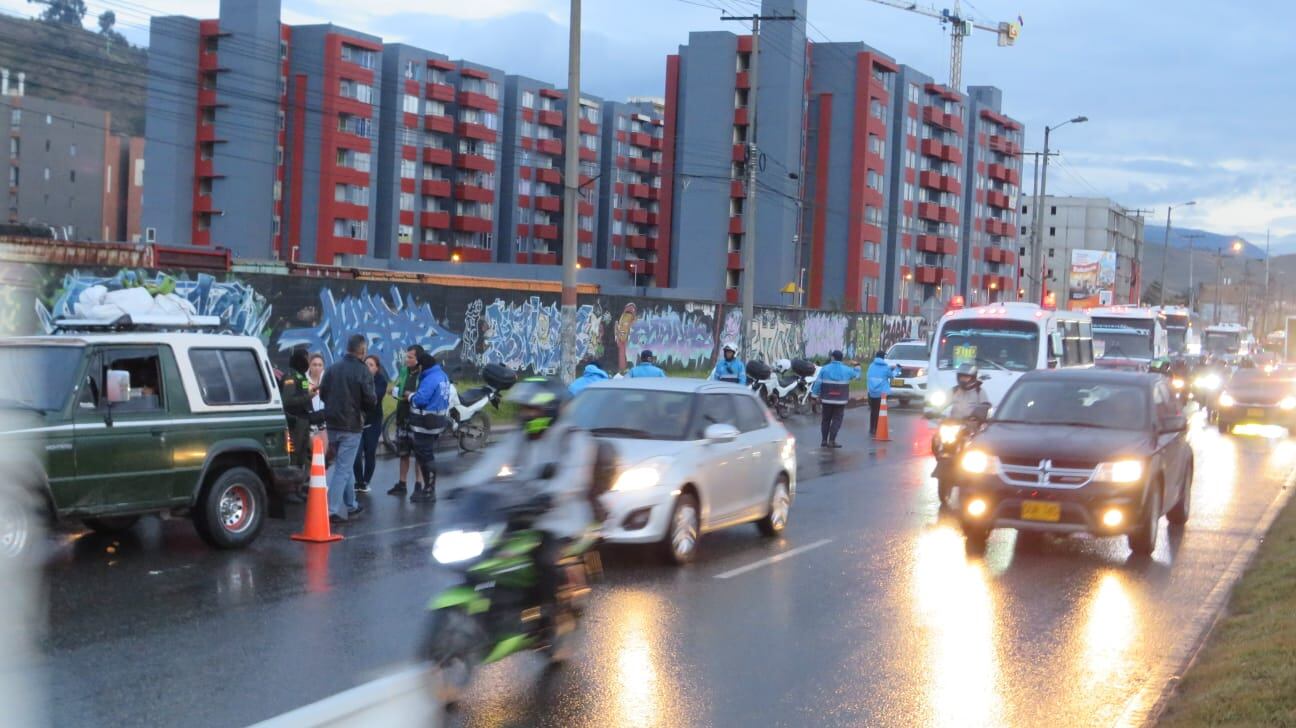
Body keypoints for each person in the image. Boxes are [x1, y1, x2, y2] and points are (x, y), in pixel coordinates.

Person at [455, 377, 597, 627]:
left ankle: (550, 618)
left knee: (543, 560)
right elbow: (493, 460)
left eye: (533, 409)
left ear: (550, 409)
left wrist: (550, 495)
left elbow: (573, 477)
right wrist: (465, 485)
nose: (527, 415)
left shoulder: (574, 439)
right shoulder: (522, 436)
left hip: (561, 518)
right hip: (522, 511)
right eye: (524, 409)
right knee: (492, 554)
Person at [319, 334, 376, 524]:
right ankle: (330, 510)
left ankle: (351, 504)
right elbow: (370, 400)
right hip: (351, 425)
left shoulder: (333, 368)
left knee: (345, 465)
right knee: (343, 469)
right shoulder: (362, 371)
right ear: (362, 350)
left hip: (333, 423)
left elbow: (323, 393)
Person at [408, 351, 451, 503]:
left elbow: (420, 399)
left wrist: (410, 396)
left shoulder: (430, 378)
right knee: (426, 456)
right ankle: (428, 488)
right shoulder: (442, 375)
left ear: (422, 366)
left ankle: (429, 490)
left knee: (426, 457)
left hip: (425, 425)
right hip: (436, 422)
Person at [387, 345, 427, 497]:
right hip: (403, 416)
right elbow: (398, 389)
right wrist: (397, 391)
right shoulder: (404, 371)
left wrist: (404, 395)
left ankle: (419, 484)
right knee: (403, 453)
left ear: (418, 359)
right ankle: (402, 484)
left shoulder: (423, 375)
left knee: (419, 454)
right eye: (407, 356)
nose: (407, 359)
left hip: (417, 419)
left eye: (410, 357)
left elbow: (419, 396)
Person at [280, 347, 314, 503]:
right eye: (307, 357)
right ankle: (289, 491)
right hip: (295, 422)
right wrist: (308, 397)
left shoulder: (301, 376)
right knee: (293, 455)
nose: (309, 361)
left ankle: (299, 488)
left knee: (302, 456)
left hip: (304, 420)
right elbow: (288, 401)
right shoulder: (291, 376)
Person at [352, 354, 388, 494]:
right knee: (356, 455)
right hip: (357, 423)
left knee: (370, 452)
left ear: (377, 368)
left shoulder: (380, 381)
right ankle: (359, 481)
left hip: (373, 422)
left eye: (371, 365)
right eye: (366, 364)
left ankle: (366, 481)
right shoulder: (356, 379)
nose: (368, 367)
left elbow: (373, 398)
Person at [811, 350, 860, 448]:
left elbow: (817, 383)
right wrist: (857, 365)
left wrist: (814, 396)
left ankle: (824, 441)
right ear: (841, 359)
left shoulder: (824, 369)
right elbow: (857, 376)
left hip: (826, 399)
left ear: (832, 357)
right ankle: (832, 441)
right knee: (837, 420)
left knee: (826, 420)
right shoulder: (847, 370)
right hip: (840, 400)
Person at [865, 350, 900, 435]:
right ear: (883, 357)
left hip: (871, 392)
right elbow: (892, 375)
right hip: (882, 394)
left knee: (873, 411)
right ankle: (877, 428)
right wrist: (897, 369)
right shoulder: (886, 367)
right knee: (880, 411)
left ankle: (872, 428)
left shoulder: (871, 366)